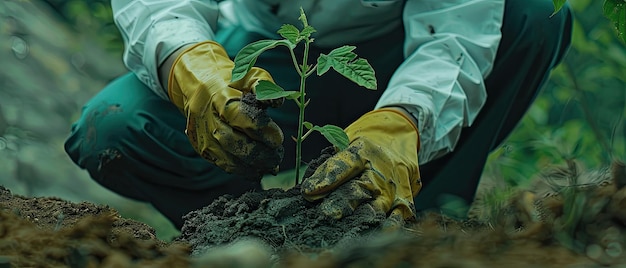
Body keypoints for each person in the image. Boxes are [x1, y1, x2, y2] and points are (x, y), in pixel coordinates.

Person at [65, 0, 572, 229]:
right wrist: (191, 63)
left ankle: (420, 226)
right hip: (267, 53)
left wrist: (404, 122)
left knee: (532, 13)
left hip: (395, 57)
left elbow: (458, 32)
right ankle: (249, 232)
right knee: (114, 123)